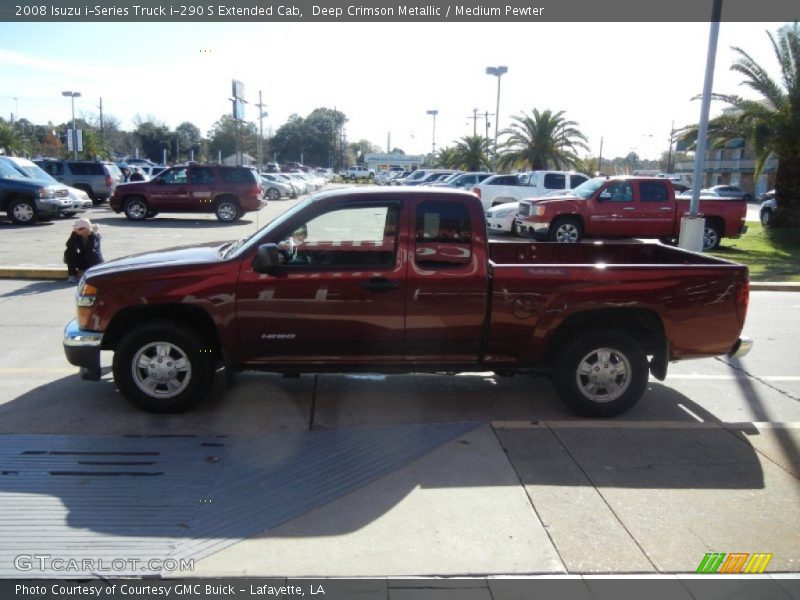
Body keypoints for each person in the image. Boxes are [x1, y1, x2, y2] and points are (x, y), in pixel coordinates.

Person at [64, 217, 104, 283]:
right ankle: (72, 276)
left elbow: (91, 247)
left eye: (77, 229)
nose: (75, 230)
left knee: (91, 251)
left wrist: (93, 234)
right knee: (69, 251)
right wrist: (73, 234)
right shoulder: (76, 235)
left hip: (95, 261)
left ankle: (93, 274)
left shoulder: (95, 236)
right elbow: (69, 245)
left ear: (84, 229)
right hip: (84, 261)